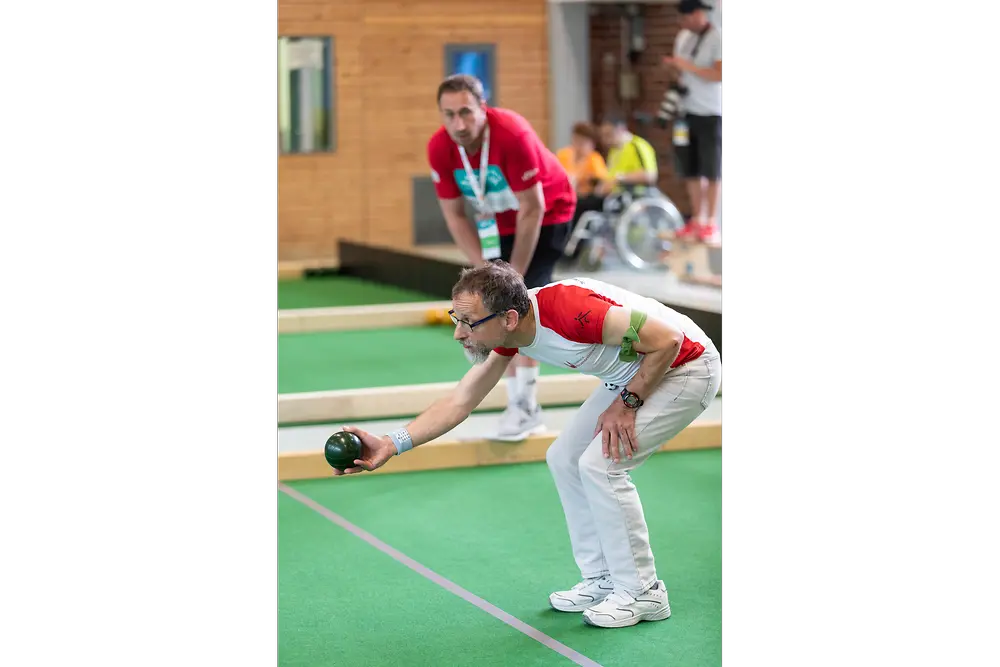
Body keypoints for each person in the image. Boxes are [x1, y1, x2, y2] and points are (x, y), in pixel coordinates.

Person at [333, 260, 722, 629]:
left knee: (600, 466)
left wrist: (628, 404)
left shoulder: (571, 311)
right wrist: (391, 442)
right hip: (635, 371)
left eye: (469, 322)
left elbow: (669, 340)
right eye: (457, 318)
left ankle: (643, 592)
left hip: (686, 368)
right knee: (565, 458)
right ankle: (604, 578)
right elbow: (460, 401)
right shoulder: (510, 331)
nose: (458, 332)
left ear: (509, 318)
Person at [428, 74, 577, 442]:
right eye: (449, 115)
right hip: (495, 222)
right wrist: (485, 272)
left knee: (520, 308)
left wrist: (513, 279)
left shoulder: (513, 134)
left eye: (466, 112)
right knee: (489, 301)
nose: (458, 124)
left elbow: (533, 208)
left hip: (549, 215)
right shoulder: (440, 147)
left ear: (484, 107)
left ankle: (525, 405)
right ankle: (516, 398)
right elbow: (455, 215)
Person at [663, 0, 724, 243]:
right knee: (689, 167)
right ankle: (697, 218)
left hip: (709, 111)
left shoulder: (717, 37)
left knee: (711, 167)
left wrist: (686, 65)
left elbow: (719, 74)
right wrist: (673, 70)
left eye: (687, 18)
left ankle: (710, 221)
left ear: (699, 14)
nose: (684, 23)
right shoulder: (682, 37)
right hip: (684, 111)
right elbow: (681, 72)